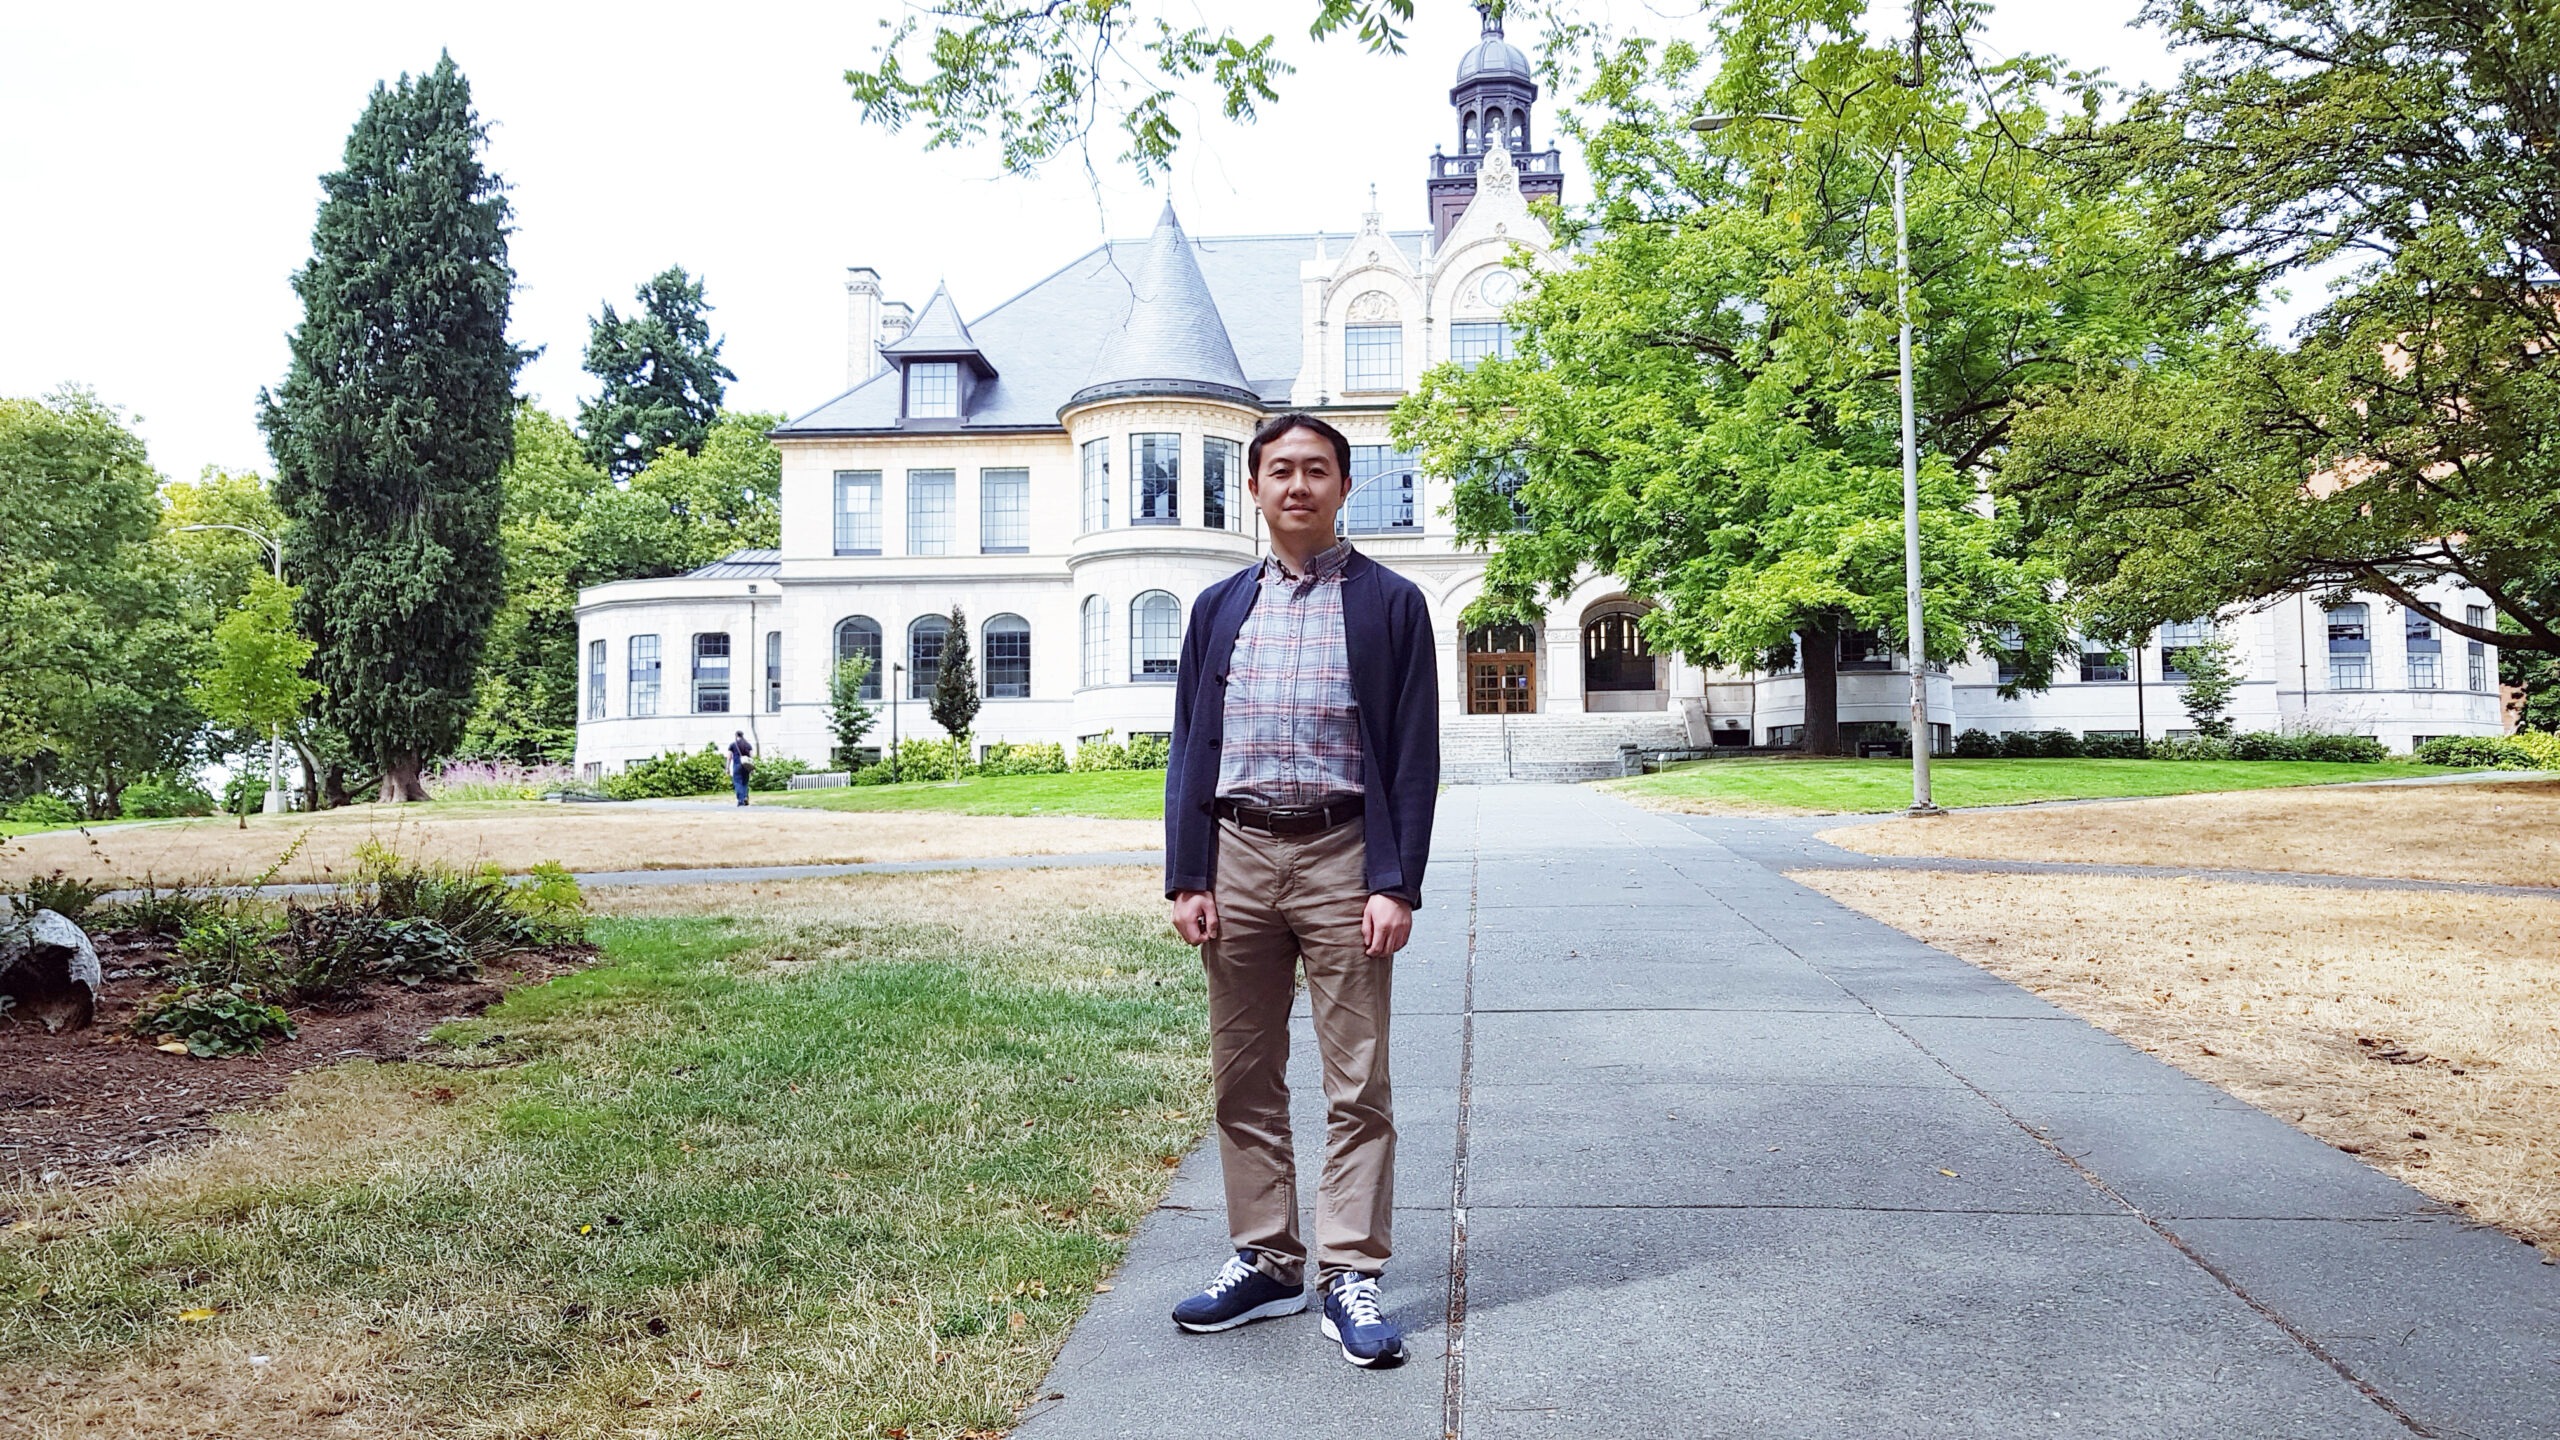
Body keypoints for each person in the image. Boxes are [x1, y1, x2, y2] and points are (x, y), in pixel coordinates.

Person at [1162, 412, 1440, 1370]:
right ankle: (1268, 1261)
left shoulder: (1392, 604)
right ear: (1252, 485)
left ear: (1343, 487)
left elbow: (1412, 755)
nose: (1297, 486)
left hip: (1342, 855)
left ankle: (1349, 1272)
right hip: (1236, 854)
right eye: (1279, 470)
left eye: (1316, 470)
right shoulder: (1218, 607)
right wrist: (1187, 872)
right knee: (1244, 1073)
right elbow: (1190, 745)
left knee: (1357, 1079)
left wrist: (1393, 882)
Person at [727, 730, 754, 806]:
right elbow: (752, 757)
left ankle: (740, 800)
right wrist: (752, 768)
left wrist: (727, 768)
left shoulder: (732, 745)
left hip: (737, 765)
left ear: (736, 736)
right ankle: (745, 796)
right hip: (746, 765)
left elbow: (729, 757)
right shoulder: (748, 745)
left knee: (738, 782)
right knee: (745, 782)